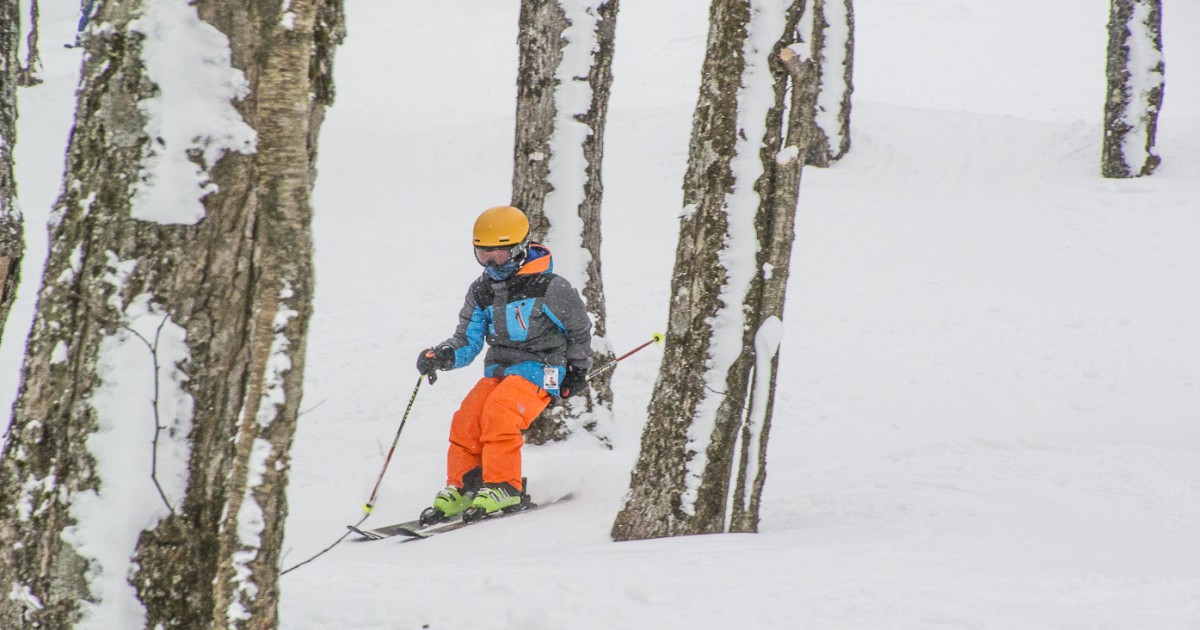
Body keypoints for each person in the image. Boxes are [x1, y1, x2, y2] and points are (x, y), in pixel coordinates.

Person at [416, 206, 593, 523]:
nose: (493, 263)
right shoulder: (482, 290)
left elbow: (578, 331)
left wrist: (578, 371)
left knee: (500, 411)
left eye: (501, 254)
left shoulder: (550, 287)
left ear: (521, 248)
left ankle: (503, 486)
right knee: (467, 418)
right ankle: (464, 487)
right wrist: (443, 355)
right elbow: (468, 341)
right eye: (484, 255)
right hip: (500, 370)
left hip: (544, 367)